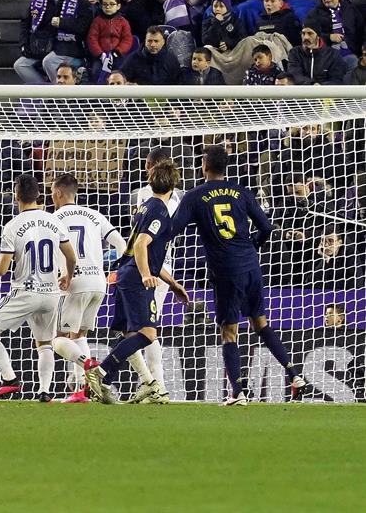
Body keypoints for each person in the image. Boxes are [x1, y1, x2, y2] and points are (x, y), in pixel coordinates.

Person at [170, 144, 309, 405]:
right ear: (226, 167)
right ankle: (295, 375)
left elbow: (173, 228)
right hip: (251, 266)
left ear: (204, 166)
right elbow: (267, 227)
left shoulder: (195, 195)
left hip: (226, 270)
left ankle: (237, 392)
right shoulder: (242, 192)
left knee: (229, 332)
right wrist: (253, 244)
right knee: (260, 323)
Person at [85, 159, 189, 405]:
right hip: (135, 278)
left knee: (131, 334)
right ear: (173, 186)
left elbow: (148, 253)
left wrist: (172, 284)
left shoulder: (144, 207)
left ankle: (138, 384)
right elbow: (142, 244)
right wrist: (145, 274)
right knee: (148, 334)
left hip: (125, 273)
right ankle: (101, 372)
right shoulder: (160, 212)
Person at [0, 174, 77, 401]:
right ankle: (44, 391)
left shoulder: (12, 226)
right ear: (39, 194)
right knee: (44, 344)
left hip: (26, 291)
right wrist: (67, 276)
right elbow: (71, 257)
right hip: (51, 293)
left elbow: (2, 270)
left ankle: (10, 379)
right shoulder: (53, 220)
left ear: (16, 195)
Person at [51, 173, 126, 403]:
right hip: (98, 282)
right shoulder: (95, 215)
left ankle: (88, 364)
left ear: (58, 193)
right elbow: (122, 244)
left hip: (74, 281)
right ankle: (83, 391)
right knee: (79, 334)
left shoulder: (54, 218)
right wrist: (117, 271)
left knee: (58, 338)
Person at [14, 0, 92, 84]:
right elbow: (25, 23)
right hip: (42, 46)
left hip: (69, 47)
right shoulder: (39, 0)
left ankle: (60, 96)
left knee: (49, 62)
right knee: (20, 65)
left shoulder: (79, 0)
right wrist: (24, 44)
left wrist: (62, 23)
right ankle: (45, 93)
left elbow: (84, 26)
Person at [304, 0, 364, 70]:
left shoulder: (350, 9)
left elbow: (361, 30)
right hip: (326, 57)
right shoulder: (314, 14)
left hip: (352, 53)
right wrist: (329, 37)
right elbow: (307, 39)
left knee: (354, 63)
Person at [86, 0, 133, 83]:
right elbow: (92, 39)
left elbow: (127, 39)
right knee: (96, 72)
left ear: (118, 6)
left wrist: (117, 52)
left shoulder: (123, 22)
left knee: (122, 71)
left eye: (112, 4)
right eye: (105, 4)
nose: (108, 7)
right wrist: (100, 54)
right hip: (101, 56)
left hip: (117, 55)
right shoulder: (97, 21)